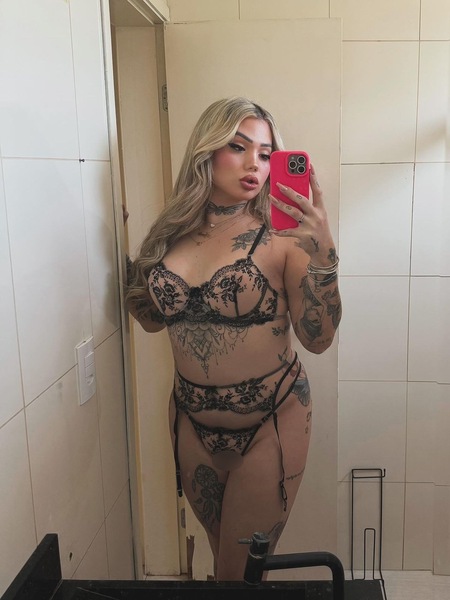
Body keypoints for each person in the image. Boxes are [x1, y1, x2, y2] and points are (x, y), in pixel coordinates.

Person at [124, 96, 342, 581]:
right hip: (190, 421)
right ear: (207, 150)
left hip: (271, 420)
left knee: (237, 575)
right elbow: (151, 320)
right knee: (219, 551)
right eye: (238, 147)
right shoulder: (168, 236)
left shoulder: (284, 238)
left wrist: (324, 253)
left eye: (265, 154)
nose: (254, 164)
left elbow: (319, 339)